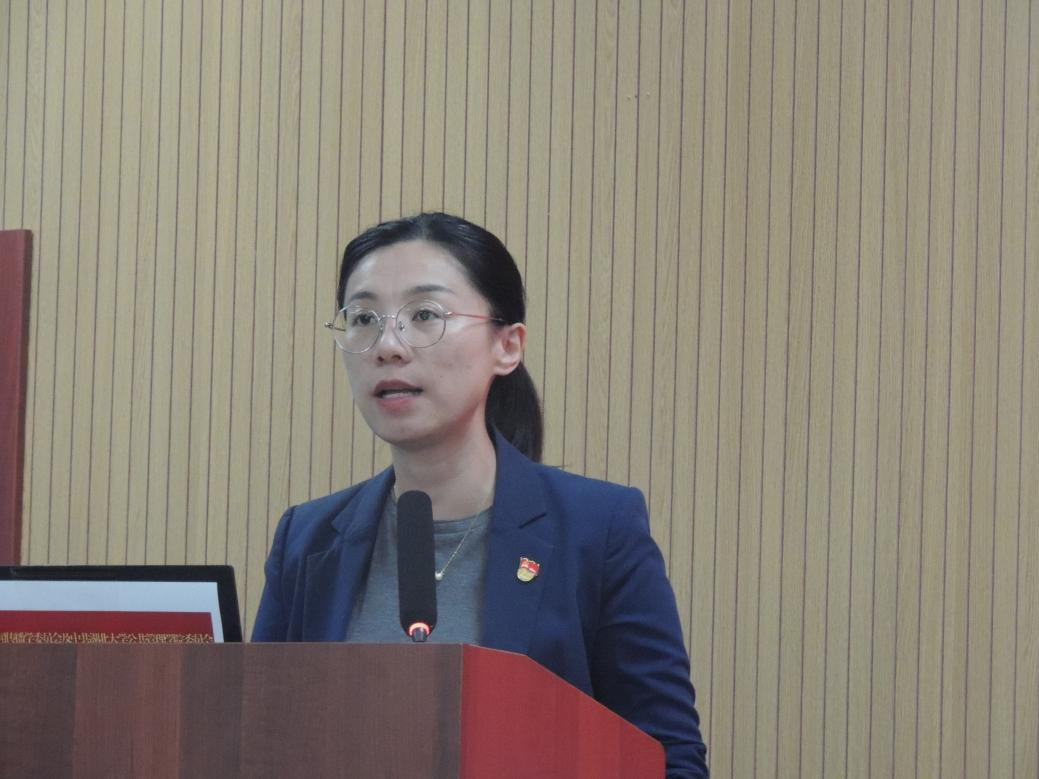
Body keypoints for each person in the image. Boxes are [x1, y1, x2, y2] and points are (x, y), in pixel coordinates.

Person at [252, 212, 709, 777]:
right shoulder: (307, 539)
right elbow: (256, 742)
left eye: (425, 315)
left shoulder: (598, 529)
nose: (388, 346)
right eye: (364, 318)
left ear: (507, 346)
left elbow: (668, 759)